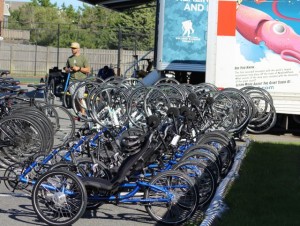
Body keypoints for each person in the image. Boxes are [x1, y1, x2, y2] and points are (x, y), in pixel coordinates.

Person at [64, 42, 90, 117]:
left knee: (80, 97)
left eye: (74, 48)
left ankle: (83, 113)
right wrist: (68, 69)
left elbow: (88, 70)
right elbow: (66, 68)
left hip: (81, 80)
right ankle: (77, 113)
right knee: (73, 97)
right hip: (72, 80)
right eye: (72, 48)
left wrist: (79, 68)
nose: (72, 49)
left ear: (78, 49)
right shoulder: (70, 58)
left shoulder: (83, 58)